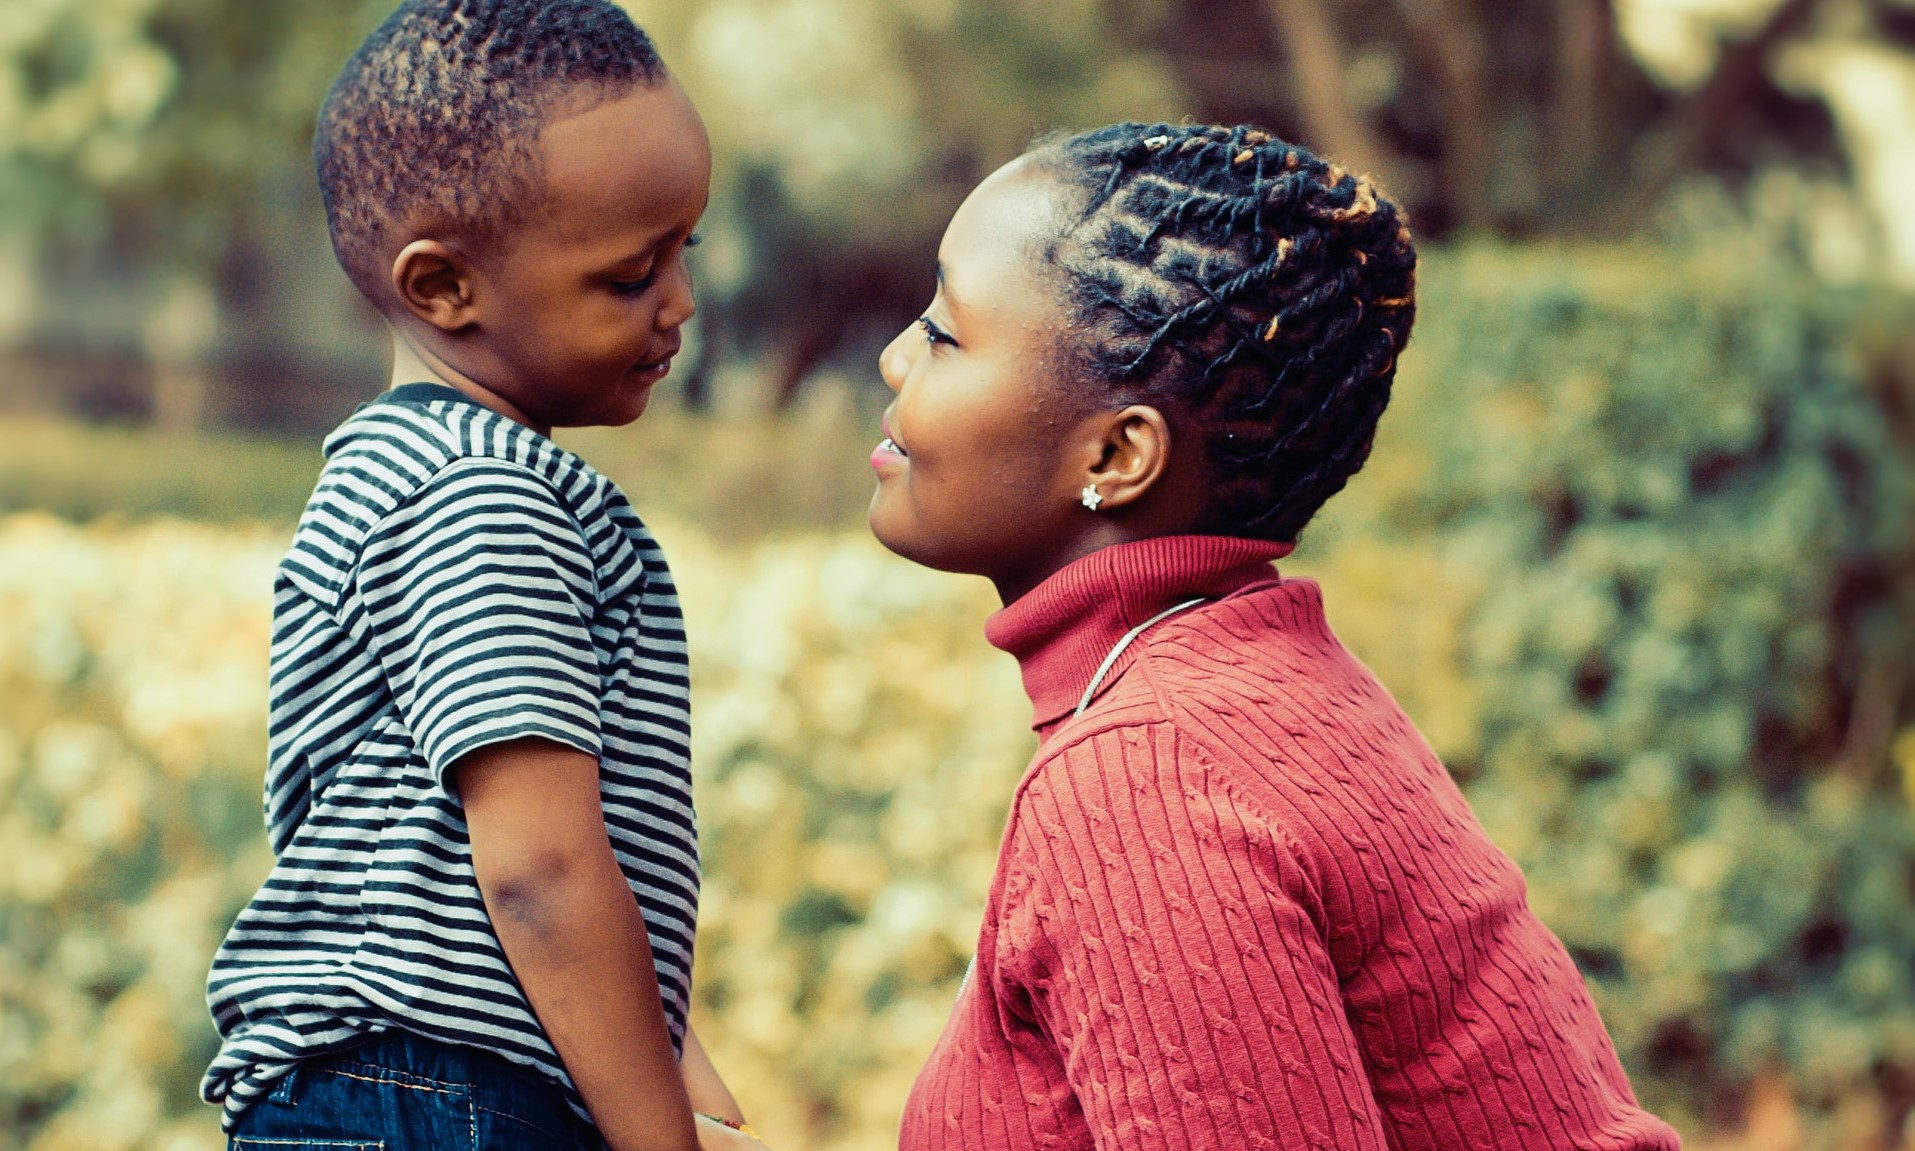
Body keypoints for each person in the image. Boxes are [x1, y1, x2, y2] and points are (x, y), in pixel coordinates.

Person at [869, 122, 1682, 1151]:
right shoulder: (1265, 682)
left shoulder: (1146, 776)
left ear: (1119, 454)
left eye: (945, 333)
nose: (895, 355)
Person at [199, 3, 760, 1148]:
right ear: (444, 288)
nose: (680, 301)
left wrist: (657, 1029)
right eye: (628, 274)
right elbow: (540, 867)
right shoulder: (478, 494)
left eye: (684, 249)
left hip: (407, 1085)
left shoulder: (414, 469)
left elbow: (465, 839)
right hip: (427, 1092)